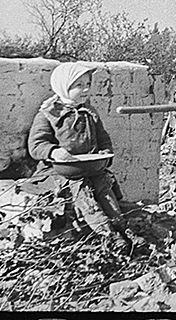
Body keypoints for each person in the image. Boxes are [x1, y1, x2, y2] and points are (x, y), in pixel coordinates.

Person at [26, 62, 137, 255]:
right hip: (57, 171)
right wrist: (54, 152)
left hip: (88, 167)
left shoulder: (89, 112)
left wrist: (104, 152)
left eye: (87, 84)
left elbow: (103, 138)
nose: (85, 89)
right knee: (82, 189)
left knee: (103, 184)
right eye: (78, 85)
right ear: (63, 86)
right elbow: (36, 146)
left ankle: (124, 229)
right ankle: (108, 235)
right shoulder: (49, 114)